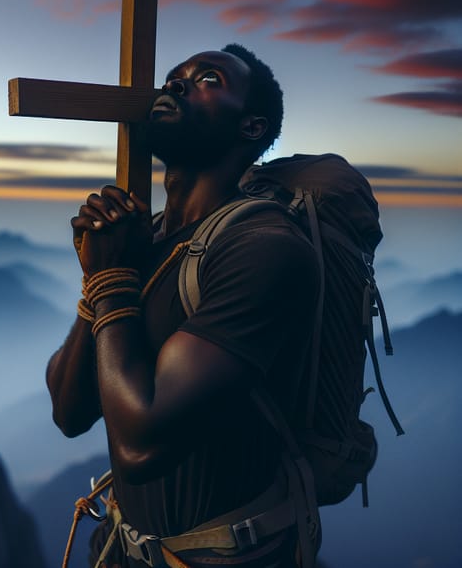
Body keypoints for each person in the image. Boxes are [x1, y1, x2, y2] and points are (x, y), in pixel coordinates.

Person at [46, 44, 320, 568]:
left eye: (208, 79)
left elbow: (140, 444)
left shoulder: (265, 248)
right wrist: (103, 277)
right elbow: (68, 411)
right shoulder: (144, 242)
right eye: (174, 78)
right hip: (124, 549)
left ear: (251, 127)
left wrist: (109, 279)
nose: (175, 85)